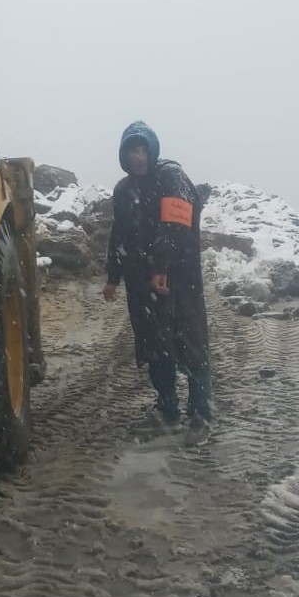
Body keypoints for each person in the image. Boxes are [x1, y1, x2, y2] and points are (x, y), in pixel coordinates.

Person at [101, 121, 214, 445]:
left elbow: (175, 227)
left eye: (142, 149)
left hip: (178, 280)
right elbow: (119, 234)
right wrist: (113, 276)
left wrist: (162, 266)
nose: (137, 157)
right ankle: (167, 410)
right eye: (130, 151)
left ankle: (200, 414)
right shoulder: (123, 190)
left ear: (152, 150)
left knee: (190, 343)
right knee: (155, 346)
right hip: (141, 284)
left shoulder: (171, 177)